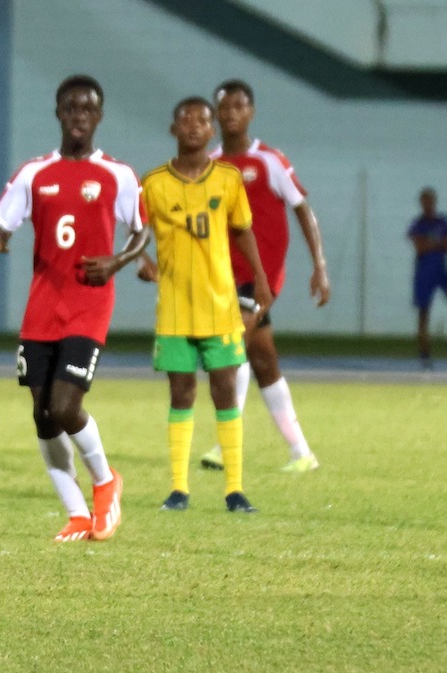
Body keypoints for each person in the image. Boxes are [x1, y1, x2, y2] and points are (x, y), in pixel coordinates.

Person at [0, 74, 148, 543]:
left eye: (87, 109)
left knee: (65, 405)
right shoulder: (34, 174)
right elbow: (2, 223)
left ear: (100, 116)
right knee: (42, 416)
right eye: (70, 108)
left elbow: (141, 229)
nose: (78, 117)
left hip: (89, 304)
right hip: (43, 304)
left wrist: (119, 261)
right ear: (58, 113)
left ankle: (106, 480)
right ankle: (76, 513)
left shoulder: (118, 174)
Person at [140, 96, 272, 513]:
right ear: (173, 129)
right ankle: (179, 489)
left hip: (220, 306)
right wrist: (141, 262)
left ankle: (234, 489)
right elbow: (133, 230)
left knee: (225, 392)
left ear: (211, 130)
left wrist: (262, 279)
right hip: (176, 309)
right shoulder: (155, 183)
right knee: (181, 394)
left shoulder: (229, 179)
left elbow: (243, 231)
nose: (194, 126)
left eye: (202, 120)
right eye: (186, 119)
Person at [194, 79, 331, 474]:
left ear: (251, 112)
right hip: (222, 279)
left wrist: (319, 266)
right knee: (263, 362)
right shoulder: (211, 164)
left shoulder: (269, 161)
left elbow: (302, 209)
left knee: (232, 349)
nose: (232, 114)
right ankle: (301, 453)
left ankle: (226, 445)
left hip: (261, 277)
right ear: (215, 115)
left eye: (239, 106)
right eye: (225, 107)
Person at [408, 187, 447, 369]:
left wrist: (433, 244)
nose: (428, 204)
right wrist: (439, 243)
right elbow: (419, 247)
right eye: (425, 201)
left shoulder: (443, 221)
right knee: (424, 314)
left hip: (441, 269)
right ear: (421, 203)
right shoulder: (418, 224)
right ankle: (425, 355)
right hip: (424, 272)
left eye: (431, 201)